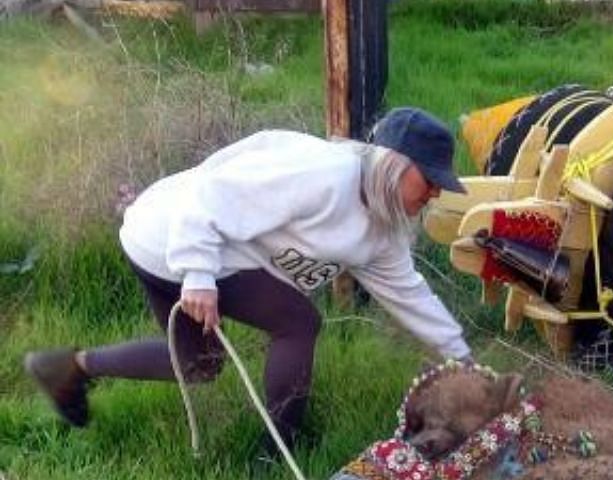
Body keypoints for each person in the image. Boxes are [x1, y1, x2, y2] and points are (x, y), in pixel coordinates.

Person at [23, 107, 473, 452]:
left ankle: (68, 367)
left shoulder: (383, 229)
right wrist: (198, 273)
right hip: (173, 236)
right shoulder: (325, 174)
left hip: (178, 246)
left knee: (198, 363)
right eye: (430, 179)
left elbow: (409, 294)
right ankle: (280, 450)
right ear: (395, 164)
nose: (435, 192)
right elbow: (213, 193)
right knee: (297, 322)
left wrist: (463, 361)